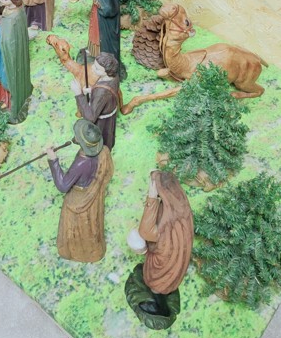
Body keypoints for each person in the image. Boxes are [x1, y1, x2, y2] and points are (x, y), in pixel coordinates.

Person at [47, 119, 114, 263]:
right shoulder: (104, 151)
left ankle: (78, 250)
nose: (75, 136)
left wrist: (53, 160)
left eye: (77, 135)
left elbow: (63, 186)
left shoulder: (81, 162)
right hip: (91, 192)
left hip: (80, 198)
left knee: (78, 226)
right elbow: (108, 172)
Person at [131, 170, 194, 318]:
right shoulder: (180, 204)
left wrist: (152, 198)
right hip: (177, 255)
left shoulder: (166, 214)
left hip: (164, 259)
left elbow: (146, 231)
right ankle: (163, 296)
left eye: (154, 185)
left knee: (156, 282)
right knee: (165, 280)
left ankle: (161, 308)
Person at [0, 0, 32, 123]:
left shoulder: (13, 17)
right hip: (13, 50)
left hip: (10, 53)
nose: (1, 0)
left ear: (12, 0)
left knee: (7, 74)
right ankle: (4, 95)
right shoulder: (17, 9)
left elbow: (4, 38)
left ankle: (9, 101)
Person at [71, 51, 123, 149]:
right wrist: (92, 90)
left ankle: (99, 149)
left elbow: (90, 117)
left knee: (99, 138)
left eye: (97, 69)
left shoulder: (101, 92)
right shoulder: (113, 77)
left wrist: (78, 94)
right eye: (94, 65)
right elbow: (106, 92)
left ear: (107, 71)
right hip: (108, 108)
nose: (93, 69)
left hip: (101, 121)